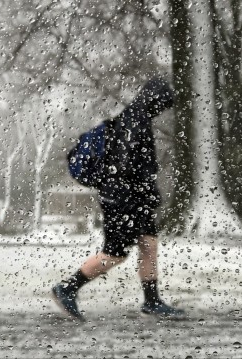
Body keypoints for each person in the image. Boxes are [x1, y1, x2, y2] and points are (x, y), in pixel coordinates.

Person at [52, 78, 185, 321]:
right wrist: (144, 192)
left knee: (148, 244)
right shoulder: (134, 122)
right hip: (123, 199)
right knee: (115, 254)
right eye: (163, 103)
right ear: (155, 100)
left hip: (132, 198)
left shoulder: (134, 119)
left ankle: (152, 301)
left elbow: (135, 165)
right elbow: (125, 167)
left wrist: (146, 194)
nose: (163, 109)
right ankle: (68, 288)